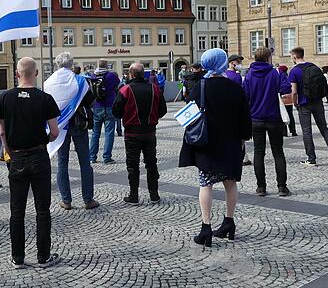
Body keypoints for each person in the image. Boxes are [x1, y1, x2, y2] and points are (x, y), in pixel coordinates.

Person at [179, 49, 252, 248]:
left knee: (206, 184)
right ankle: (229, 222)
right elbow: (245, 117)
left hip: (207, 143)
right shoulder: (234, 87)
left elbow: (189, 118)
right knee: (230, 182)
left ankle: (206, 228)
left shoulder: (199, 87)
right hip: (230, 142)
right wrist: (244, 138)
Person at [0, 57, 61, 269]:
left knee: (17, 210)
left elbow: (2, 132)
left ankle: (18, 258)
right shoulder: (45, 98)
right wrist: (45, 141)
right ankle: (43, 257)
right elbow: (55, 132)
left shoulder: (5, 98)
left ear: (17, 74)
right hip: (39, 156)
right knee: (43, 209)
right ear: (37, 73)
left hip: (17, 157)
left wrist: (10, 153)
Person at [46, 52, 99, 211]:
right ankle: (88, 199)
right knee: (85, 162)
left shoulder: (48, 82)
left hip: (60, 126)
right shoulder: (80, 81)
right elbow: (91, 100)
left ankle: (66, 200)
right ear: (71, 64)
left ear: (56, 64)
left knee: (62, 163)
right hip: (79, 125)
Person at [113, 62, 166, 204]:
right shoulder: (155, 89)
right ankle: (154, 195)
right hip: (149, 132)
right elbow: (163, 110)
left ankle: (134, 195)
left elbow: (116, 111)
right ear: (144, 74)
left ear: (131, 74)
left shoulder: (125, 90)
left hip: (132, 133)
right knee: (151, 163)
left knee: (132, 165)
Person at [245, 49, 291, 197]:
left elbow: (245, 95)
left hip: (256, 119)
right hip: (274, 118)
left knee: (259, 153)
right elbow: (286, 89)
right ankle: (282, 187)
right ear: (268, 58)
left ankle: (261, 187)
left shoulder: (249, 75)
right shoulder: (275, 73)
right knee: (278, 152)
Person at [288, 47, 328, 167]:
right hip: (317, 102)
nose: (291, 58)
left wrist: (295, 103)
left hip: (304, 104)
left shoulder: (294, 71)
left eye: (291, 56)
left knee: (307, 131)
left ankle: (311, 158)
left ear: (295, 57)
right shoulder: (314, 67)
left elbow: (294, 91)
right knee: (324, 128)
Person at [89, 59, 120, 165]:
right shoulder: (111, 76)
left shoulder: (93, 76)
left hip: (97, 106)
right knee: (109, 133)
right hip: (110, 106)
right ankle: (107, 157)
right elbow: (117, 84)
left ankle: (92, 157)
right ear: (107, 66)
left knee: (95, 133)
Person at [278, 65, 298, 137]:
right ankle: (293, 131)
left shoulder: (281, 76)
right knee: (290, 114)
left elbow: (280, 86)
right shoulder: (288, 76)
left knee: (283, 114)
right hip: (290, 98)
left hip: (283, 98)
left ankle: (284, 132)